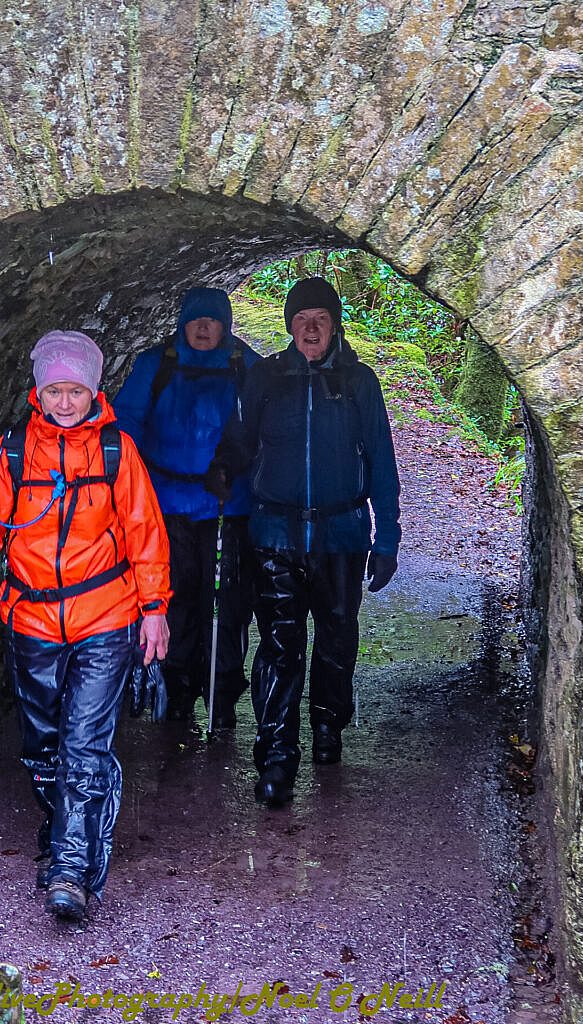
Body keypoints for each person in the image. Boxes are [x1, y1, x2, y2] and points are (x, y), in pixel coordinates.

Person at [0, 330, 171, 921]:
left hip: (105, 615)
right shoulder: (13, 451)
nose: (65, 402)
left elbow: (146, 535)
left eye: (75, 391)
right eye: (55, 391)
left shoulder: (118, 451)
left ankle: (72, 869)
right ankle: (62, 828)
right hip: (33, 620)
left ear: (93, 391)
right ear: (38, 392)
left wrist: (155, 611)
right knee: (42, 745)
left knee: (83, 744)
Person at [205, 278, 401, 806]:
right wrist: (223, 467)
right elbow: (240, 439)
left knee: (337, 637)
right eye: (301, 319)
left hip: (341, 533)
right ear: (289, 325)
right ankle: (275, 755)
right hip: (276, 532)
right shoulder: (266, 377)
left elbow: (381, 461)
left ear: (334, 324)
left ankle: (327, 728)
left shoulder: (359, 382)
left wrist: (388, 538)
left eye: (320, 318)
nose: (310, 328)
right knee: (279, 645)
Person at [113, 287, 261, 726]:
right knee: (172, 599)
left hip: (225, 507)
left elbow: (262, 425)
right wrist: (132, 485)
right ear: (181, 323)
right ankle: (176, 690)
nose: (202, 328)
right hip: (166, 505)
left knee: (225, 604)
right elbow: (126, 424)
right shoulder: (156, 365)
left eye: (211, 321)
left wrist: (236, 466)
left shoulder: (244, 366)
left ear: (225, 325)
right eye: (195, 320)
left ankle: (221, 695)